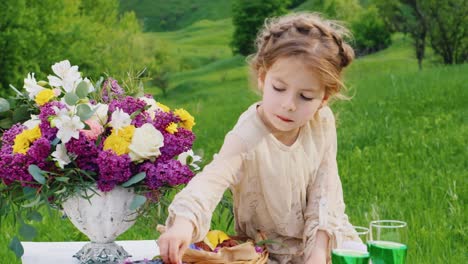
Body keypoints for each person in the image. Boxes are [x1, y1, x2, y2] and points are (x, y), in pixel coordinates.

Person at [157, 12, 360, 264]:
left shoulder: (322, 122)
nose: (288, 105)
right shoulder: (248, 134)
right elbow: (213, 178)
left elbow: (325, 195)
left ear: (324, 99)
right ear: (263, 78)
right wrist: (184, 223)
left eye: (305, 97)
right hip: (266, 254)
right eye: (279, 88)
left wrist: (317, 256)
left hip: (324, 242)